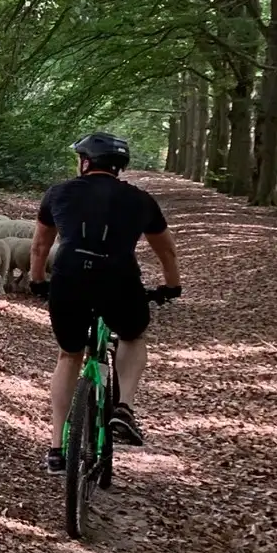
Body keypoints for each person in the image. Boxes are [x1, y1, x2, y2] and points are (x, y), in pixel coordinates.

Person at [28, 132, 182, 474]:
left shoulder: (58, 193)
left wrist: (37, 280)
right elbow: (167, 251)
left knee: (69, 355)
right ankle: (123, 407)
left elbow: (39, 246)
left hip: (69, 279)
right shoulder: (141, 199)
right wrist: (172, 286)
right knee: (132, 335)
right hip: (119, 280)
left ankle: (56, 448)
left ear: (85, 162)